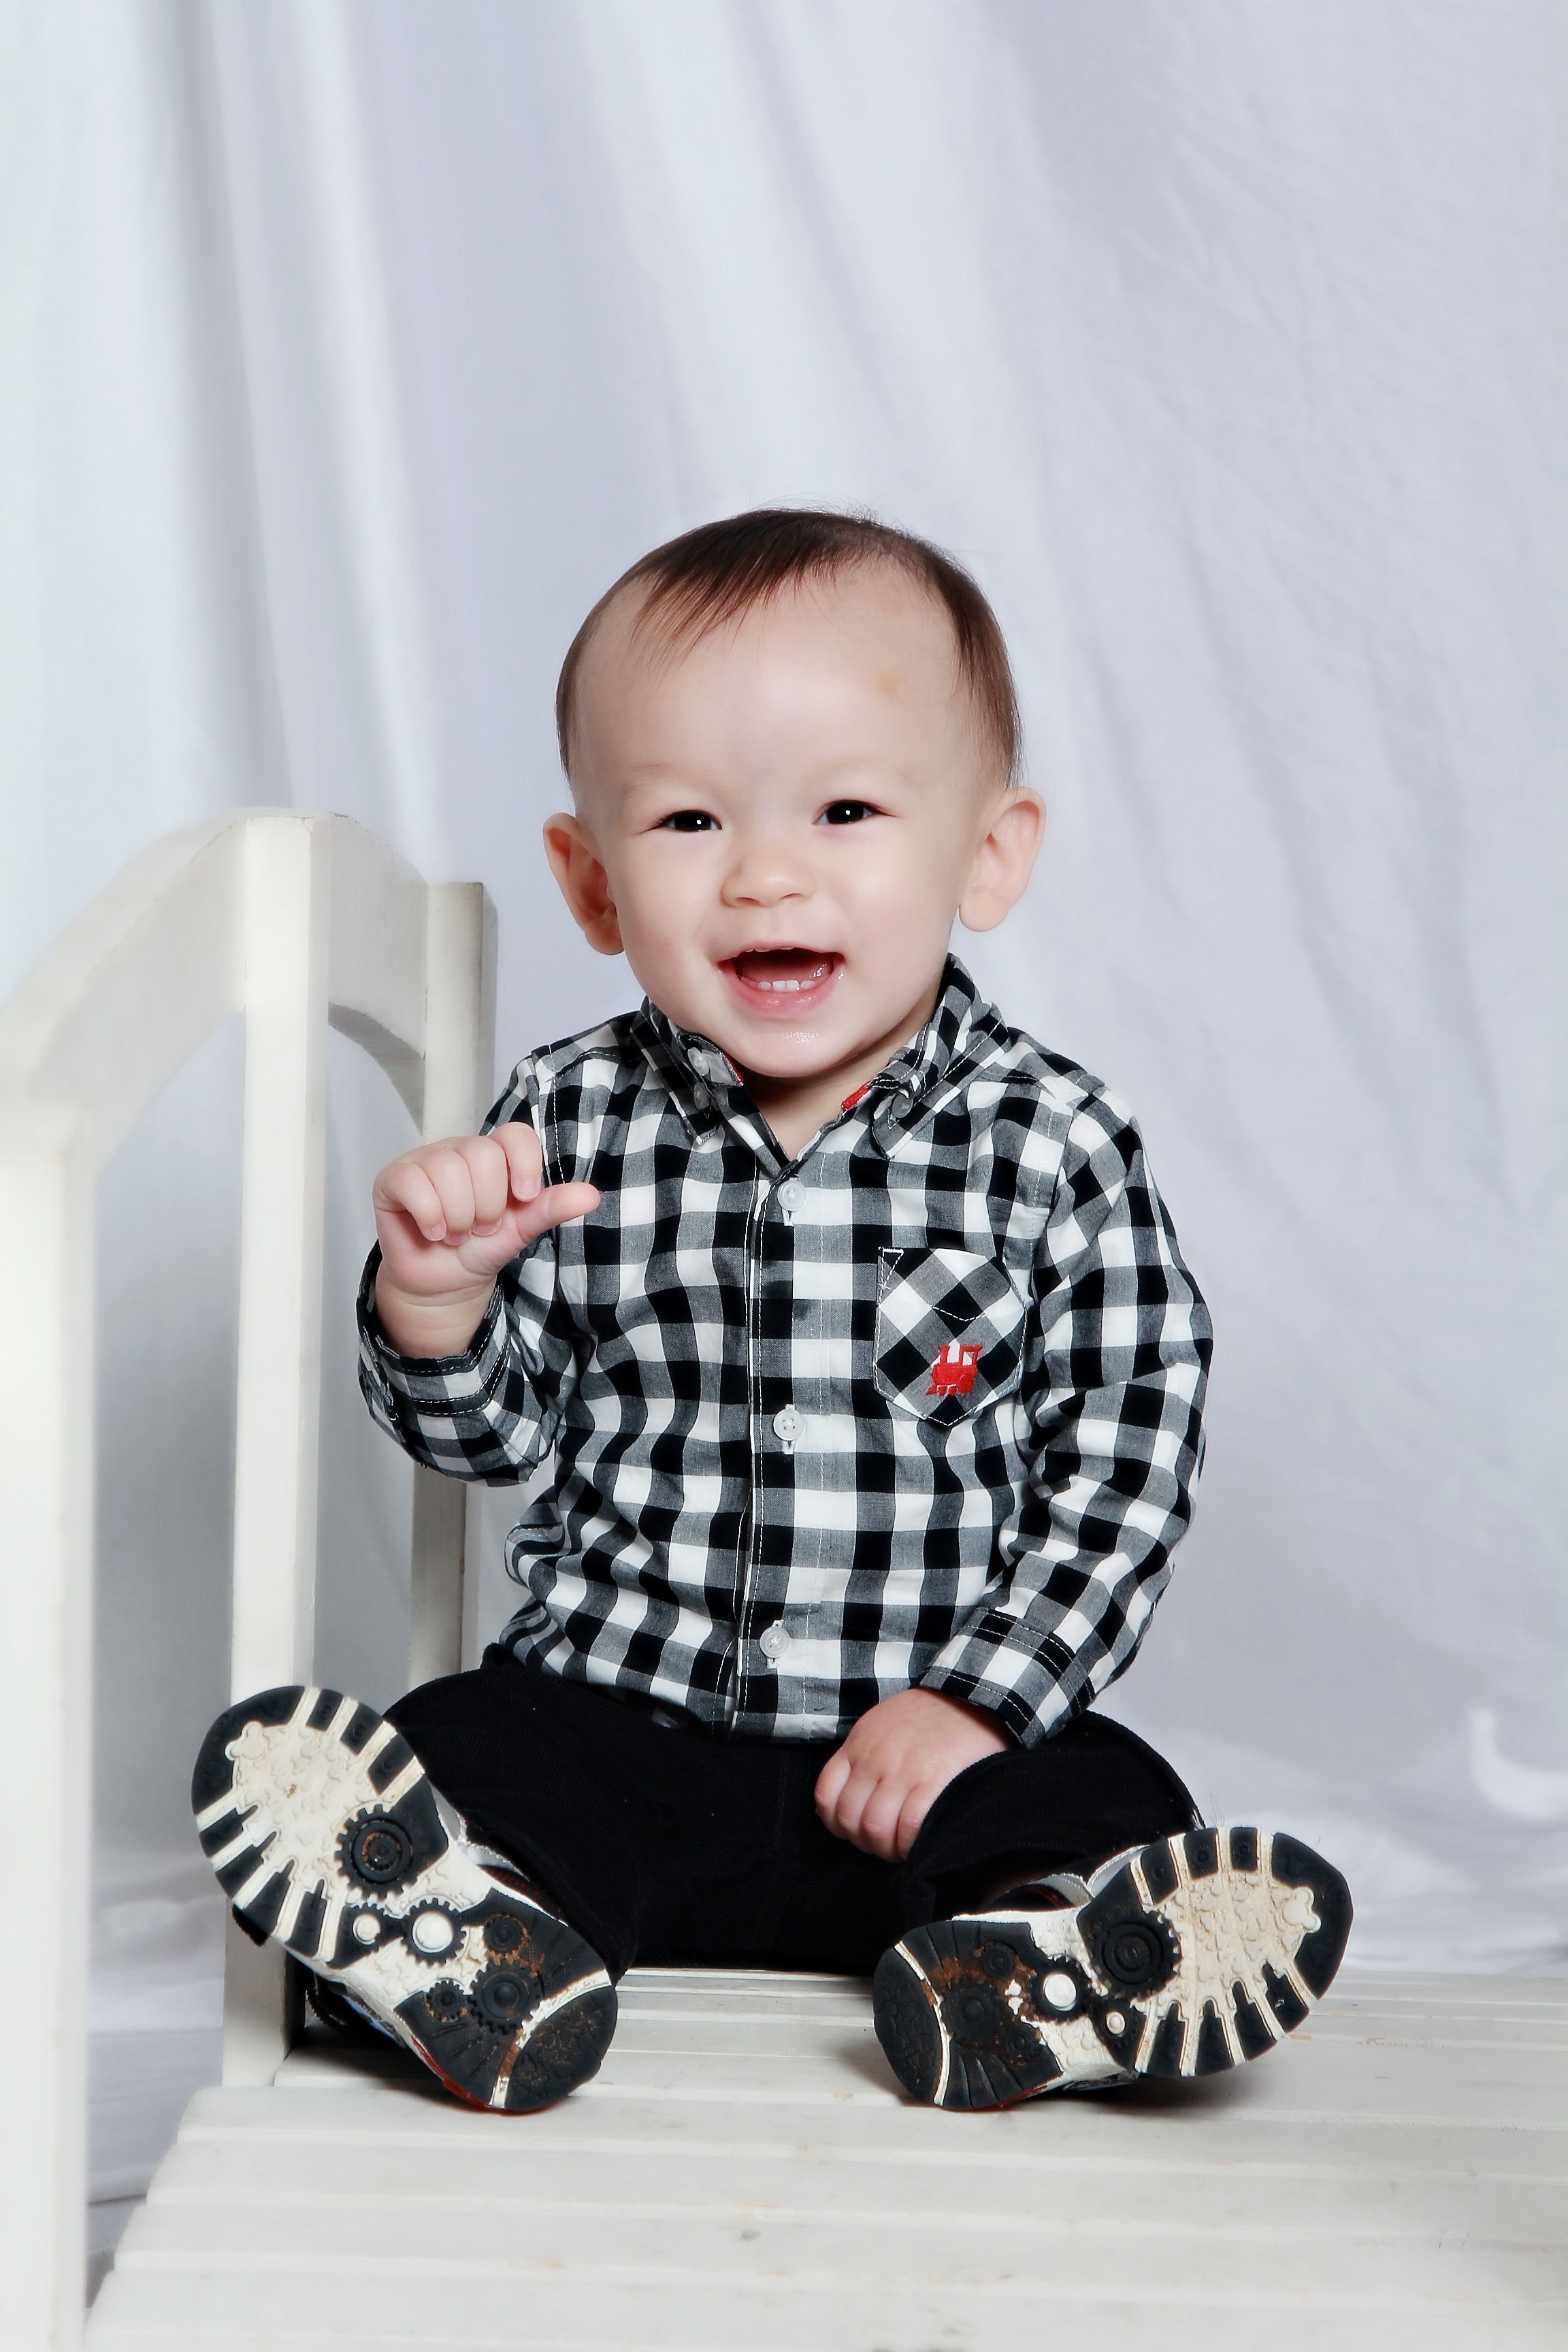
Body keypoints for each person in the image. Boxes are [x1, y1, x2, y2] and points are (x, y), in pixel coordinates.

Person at [193, 510, 1350, 2117]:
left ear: (988, 854)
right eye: (687, 820)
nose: (766, 873)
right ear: (592, 882)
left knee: (1104, 1789)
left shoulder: (1052, 1145)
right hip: (624, 1724)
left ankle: (1038, 1963)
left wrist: (980, 1699)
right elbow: (496, 1439)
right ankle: (471, 1937)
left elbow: (1127, 1456)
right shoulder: (570, 1118)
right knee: (469, 1736)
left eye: (848, 809)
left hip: (924, 1753)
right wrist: (437, 1300)